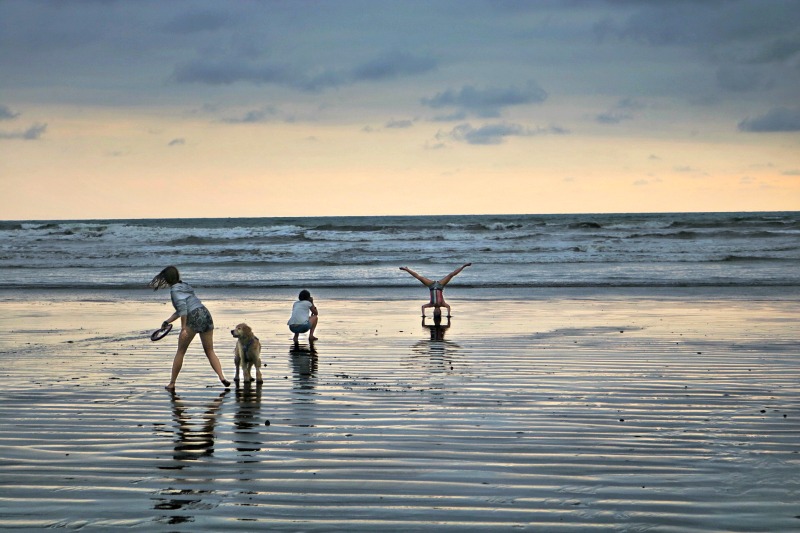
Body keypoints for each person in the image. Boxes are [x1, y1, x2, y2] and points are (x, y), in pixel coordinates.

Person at [148, 266, 230, 391]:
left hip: (193, 317)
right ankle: (222, 377)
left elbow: (184, 311)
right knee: (210, 350)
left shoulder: (174, 291)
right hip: (205, 313)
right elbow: (181, 309)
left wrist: (183, 329)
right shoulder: (185, 286)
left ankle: (172, 383)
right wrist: (167, 321)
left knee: (180, 351)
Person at [400, 263, 471, 317]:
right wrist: (448, 314)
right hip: (440, 286)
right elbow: (448, 307)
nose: (437, 311)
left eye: (435, 312)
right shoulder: (442, 304)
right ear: (440, 311)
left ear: (434, 311)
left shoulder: (431, 304)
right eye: (438, 312)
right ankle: (464, 266)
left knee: (419, 278)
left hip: (431, 286)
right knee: (451, 275)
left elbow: (423, 307)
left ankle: (407, 269)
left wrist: (423, 315)